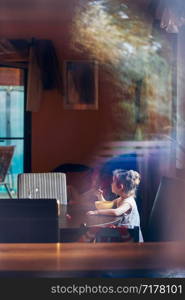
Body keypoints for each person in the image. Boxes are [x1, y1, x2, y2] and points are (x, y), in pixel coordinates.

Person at [87, 169, 143, 242]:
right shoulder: (121, 198)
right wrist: (99, 196)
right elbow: (108, 205)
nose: (111, 184)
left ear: (120, 186)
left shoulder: (128, 202)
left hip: (132, 238)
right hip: (124, 234)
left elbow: (116, 212)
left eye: (113, 182)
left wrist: (97, 212)